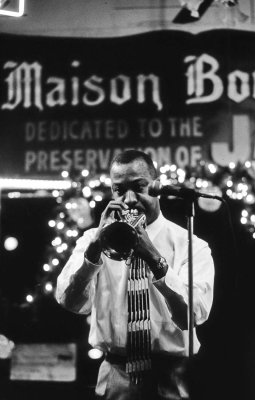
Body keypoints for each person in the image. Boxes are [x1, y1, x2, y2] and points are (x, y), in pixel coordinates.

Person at [56, 150, 214, 399]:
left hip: (172, 376)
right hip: (115, 374)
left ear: (156, 185)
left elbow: (191, 316)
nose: (129, 199)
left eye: (139, 187)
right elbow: (70, 302)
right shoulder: (92, 240)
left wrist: (153, 256)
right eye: (119, 190)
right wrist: (94, 252)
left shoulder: (191, 245)